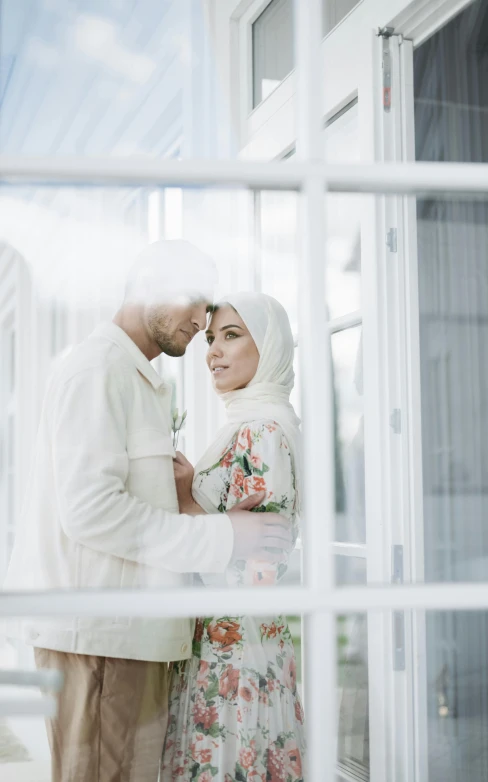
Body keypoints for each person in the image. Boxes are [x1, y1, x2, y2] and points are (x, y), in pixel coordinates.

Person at [3, 242, 293, 782]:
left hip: (127, 640)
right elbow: (92, 512)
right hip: (100, 641)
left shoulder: (132, 376)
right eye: (193, 301)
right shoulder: (98, 370)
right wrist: (223, 535)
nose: (199, 320)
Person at [161, 292, 306, 782]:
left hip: (236, 651)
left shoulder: (260, 431)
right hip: (234, 642)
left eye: (231, 335)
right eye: (209, 339)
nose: (213, 352)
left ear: (269, 347)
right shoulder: (245, 426)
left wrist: (185, 500)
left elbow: (257, 569)